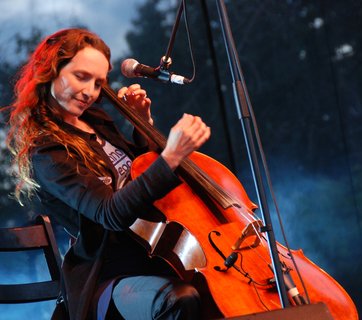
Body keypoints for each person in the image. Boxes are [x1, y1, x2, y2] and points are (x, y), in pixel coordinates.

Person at [6, 28, 211, 320]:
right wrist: (171, 157)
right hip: (108, 274)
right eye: (81, 76)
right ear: (52, 69)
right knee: (179, 300)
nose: (90, 91)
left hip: (152, 254)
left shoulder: (94, 119)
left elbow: (133, 173)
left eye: (99, 83)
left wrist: (142, 125)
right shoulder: (46, 152)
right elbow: (109, 213)